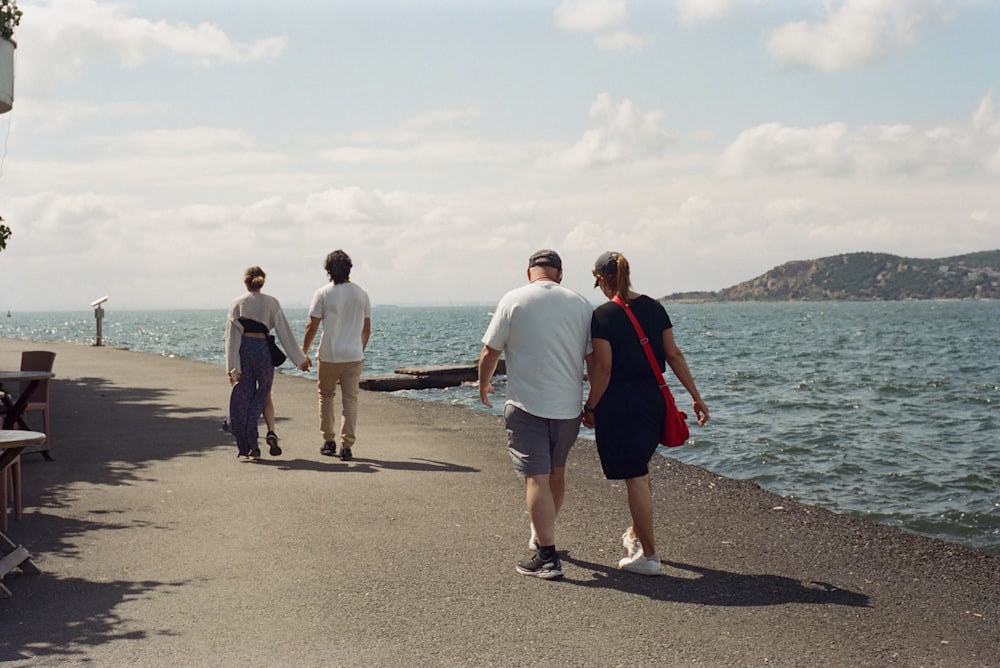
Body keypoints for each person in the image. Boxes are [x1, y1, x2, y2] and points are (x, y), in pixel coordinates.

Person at [582, 251, 709, 575]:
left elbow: (605, 369)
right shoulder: (654, 307)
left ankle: (650, 556)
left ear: (600, 279)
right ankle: (636, 535)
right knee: (640, 470)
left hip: (621, 406)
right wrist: (696, 397)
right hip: (654, 402)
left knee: (635, 476)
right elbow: (674, 354)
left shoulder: (603, 315)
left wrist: (590, 405)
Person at [478, 249, 593, 579]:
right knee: (556, 473)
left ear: (529, 272)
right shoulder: (581, 303)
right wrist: (594, 402)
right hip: (568, 408)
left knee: (535, 477)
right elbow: (594, 359)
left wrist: (483, 385)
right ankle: (542, 535)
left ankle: (546, 556)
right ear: (559, 273)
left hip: (527, 405)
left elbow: (490, 351)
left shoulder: (513, 300)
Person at [225, 266, 310, 462]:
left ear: (245, 282)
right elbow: (285, 334)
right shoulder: (272, 303)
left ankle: (251, 447)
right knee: (264, 392)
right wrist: (300, 360)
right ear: (262, 281)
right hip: (263, 350)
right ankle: (270, 432)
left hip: (245, 351)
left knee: (244, 396)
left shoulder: (236, 304)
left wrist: (232, 368)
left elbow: (231, 340)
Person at [301, 250, 371, 462]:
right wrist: (360, 349)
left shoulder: (323, 293)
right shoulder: (361, 294)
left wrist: (303, 351)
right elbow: (366, 328)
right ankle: (347, 445)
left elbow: (312, 325)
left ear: (328, 271)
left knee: (326, 396)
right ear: (349, 269)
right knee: (350, 400)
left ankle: (329, 440)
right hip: (353, 354)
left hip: (329, 354)